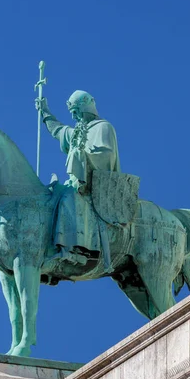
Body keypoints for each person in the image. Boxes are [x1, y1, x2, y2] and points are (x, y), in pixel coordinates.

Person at [36, 91, 120, 265]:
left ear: (85, 109)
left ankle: (77, 251)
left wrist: (83, 156)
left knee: (69, 197)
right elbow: (58, 130)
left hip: (96, 185)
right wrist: (45, 112)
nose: (73, 117)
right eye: (72, 113)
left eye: (75, 112)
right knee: (54, 194)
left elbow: (107, 156)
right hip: (76, 183)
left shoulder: (103, 127)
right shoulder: (78, 132)